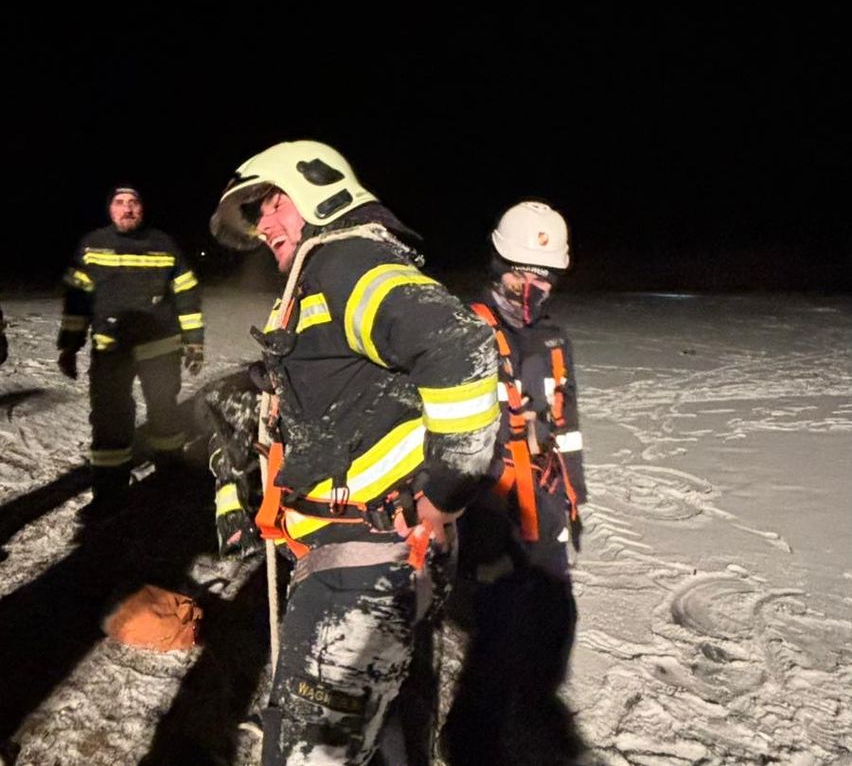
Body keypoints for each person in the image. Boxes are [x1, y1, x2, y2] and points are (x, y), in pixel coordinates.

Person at [208, 139, 499, 765]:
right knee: (392, 732)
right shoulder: (330, 274)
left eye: (273, 202)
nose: (263, 224)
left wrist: (444, 492)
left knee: (310, 750)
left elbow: (461, 347)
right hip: (372, 559)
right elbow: (339, 375)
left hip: (363, 567)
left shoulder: (344, 261)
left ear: (319, 192)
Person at [441, 200, 587, 765]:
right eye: (521, 272)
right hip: (488, 508)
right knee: (494, 634)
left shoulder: (553, 341)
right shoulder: (464, 331)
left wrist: (574, 496)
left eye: (544, 275)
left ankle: (531, 707)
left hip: (545, 503)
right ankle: (471, 744)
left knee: (552, 616)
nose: (532, 285)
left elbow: (566, 426)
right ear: (497, 262)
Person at [57, 185, 205, 521]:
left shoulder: (164, 245)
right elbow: (77, 299)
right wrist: (70, 344)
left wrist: (194, 342)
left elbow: (186, 293)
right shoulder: (92, 245)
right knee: (110, 420)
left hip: (161, 349)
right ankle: (110, 494)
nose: (127, 209)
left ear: (143, 208)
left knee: (165, 415)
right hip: (111, 350)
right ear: (109, 209)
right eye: (120, 202)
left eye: (134, 202)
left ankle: (169, 481)